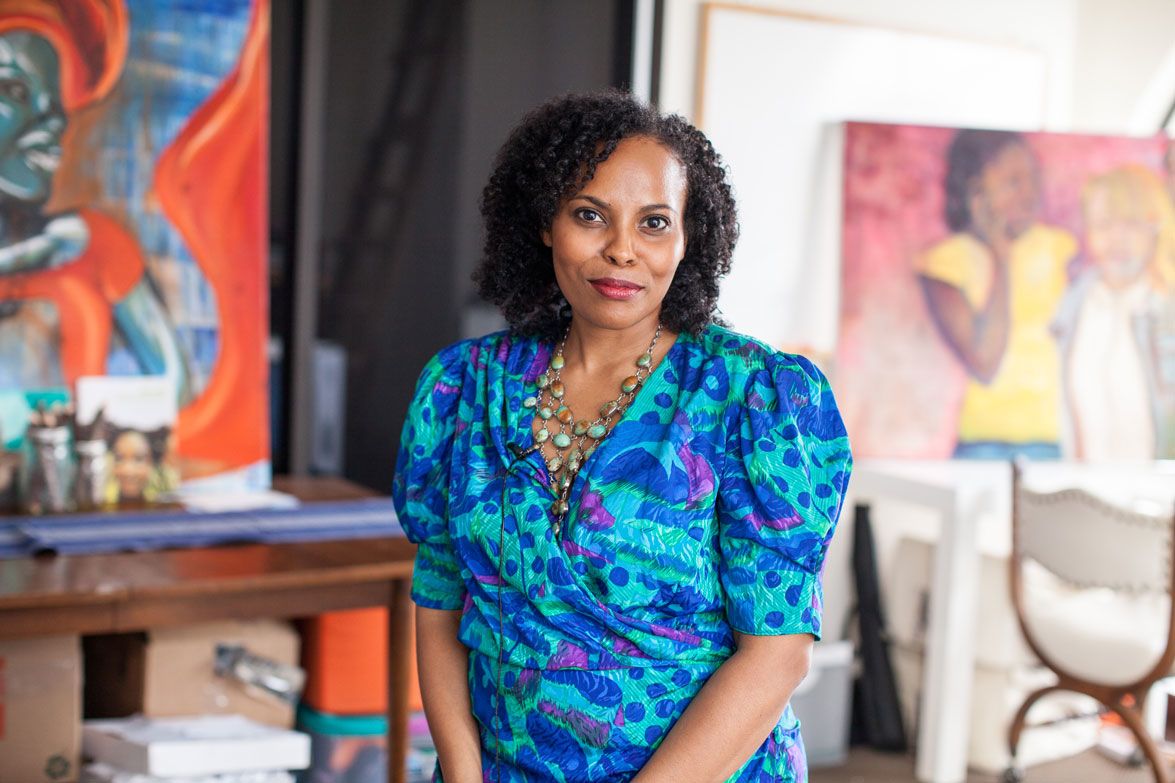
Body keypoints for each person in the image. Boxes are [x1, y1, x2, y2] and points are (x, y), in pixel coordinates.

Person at [392, 91, 852, 783]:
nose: (621, 250)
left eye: (654, 223)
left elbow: (776, 654)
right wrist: (461, 771)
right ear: (546, 222)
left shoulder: (750, 396)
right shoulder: (463, 388)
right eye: (588, 215)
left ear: (687, 237)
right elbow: (438, 599)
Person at [0, 5, 192, 403]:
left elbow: (173, 386)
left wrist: (91, 424)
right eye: (13, 91)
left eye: (55, 101)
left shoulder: (89, 242)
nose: (53, 120)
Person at [917, 129, 1077, 459]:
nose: (1029, 193)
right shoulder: (946, 262)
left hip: (1050, 439)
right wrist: (1000, 258)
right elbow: (986, 362)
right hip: (983, 442)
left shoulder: (1059, 249)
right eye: (1013, 181)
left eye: (1033, 178)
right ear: (975, 192)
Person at [1058, 165, 1175, 459]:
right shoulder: (1074, 306)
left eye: (1131, 224)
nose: (1116, 238)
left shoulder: (1165, 306)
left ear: (1155, 227)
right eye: (1103, 224)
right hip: (1086, 488)